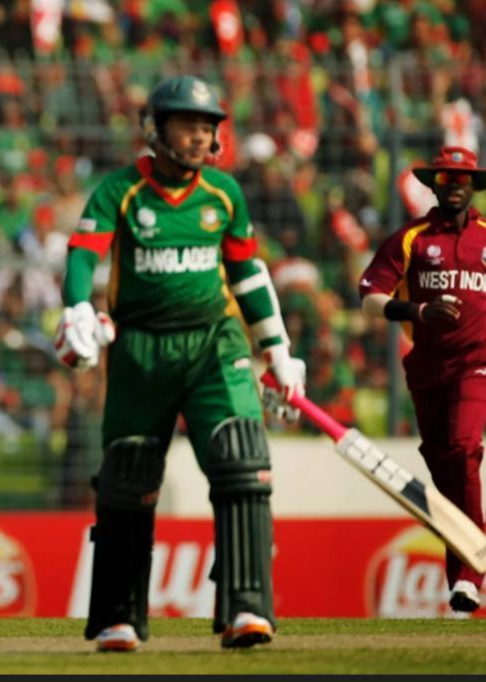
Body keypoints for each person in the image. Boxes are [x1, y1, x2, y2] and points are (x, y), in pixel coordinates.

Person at [54, 75, 305, 652]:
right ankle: (119, 617)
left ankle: (246, 608)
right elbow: (81, 254)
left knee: (243, 465)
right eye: (187, 125)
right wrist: (76, 311)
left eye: (207, 127)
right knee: (128, 481)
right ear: (156, 129)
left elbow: (247, 273)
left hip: (216, 345)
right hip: (141, 349)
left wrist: (279, 351)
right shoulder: (120, 190)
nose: (199, 137)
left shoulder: (223, 195)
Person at [358, 146, 486, 615]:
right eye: (447, 177)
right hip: (428, 370)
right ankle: (466, 581)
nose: (454, 185)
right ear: (434, 183)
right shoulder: (410, 238)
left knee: (463, 446)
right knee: (447, 470)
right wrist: (417, 311)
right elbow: (370, 296)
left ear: (473, 186)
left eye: (463, 178)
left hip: (478, 364)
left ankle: (473, 572)